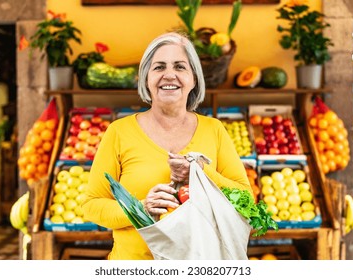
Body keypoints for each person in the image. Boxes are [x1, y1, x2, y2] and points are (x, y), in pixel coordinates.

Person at [81, 32, 253, 260]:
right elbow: (92, 205)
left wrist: (201, 173)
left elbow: (246, 201)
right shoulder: (119, 132)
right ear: (146, 79)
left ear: (194, 78)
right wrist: (140, 208)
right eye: (159, 67)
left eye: (180, 67)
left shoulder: (214, 130)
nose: (169, 75)